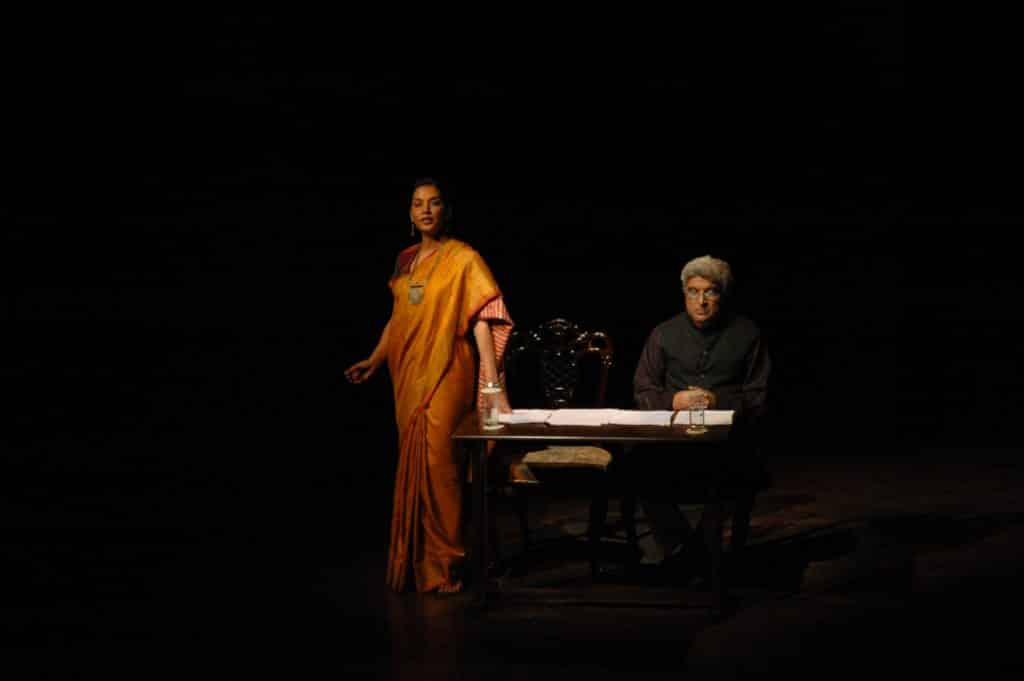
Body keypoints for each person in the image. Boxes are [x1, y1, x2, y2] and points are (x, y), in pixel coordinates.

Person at [345, 178, 513, 595]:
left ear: (446, 211)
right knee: (415, 464)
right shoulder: (406, 261)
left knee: (442, 467)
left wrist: (490, 382)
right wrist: (375, 357)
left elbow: (481, 318)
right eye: (417, 204)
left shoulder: (463, 258)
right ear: (409, 213)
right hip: (407, 374)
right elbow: (399, 318)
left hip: (447, 371)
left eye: (434, 203)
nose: (425, 210)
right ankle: (416, 563)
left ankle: (448, 565)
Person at [632, 254, 770, 574]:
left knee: (738, 469)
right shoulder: (663, 334)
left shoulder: (747, 333)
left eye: (710, 292)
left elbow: (758, 396)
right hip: (674, 441)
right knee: (638, 466)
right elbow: (643, 391)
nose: (701, 301)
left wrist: (717, 400)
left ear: (723, 294)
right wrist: (674, 399)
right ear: (684, 293)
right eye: (693, 292)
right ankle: (685, 549)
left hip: (728, 442)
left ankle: (697, 554)